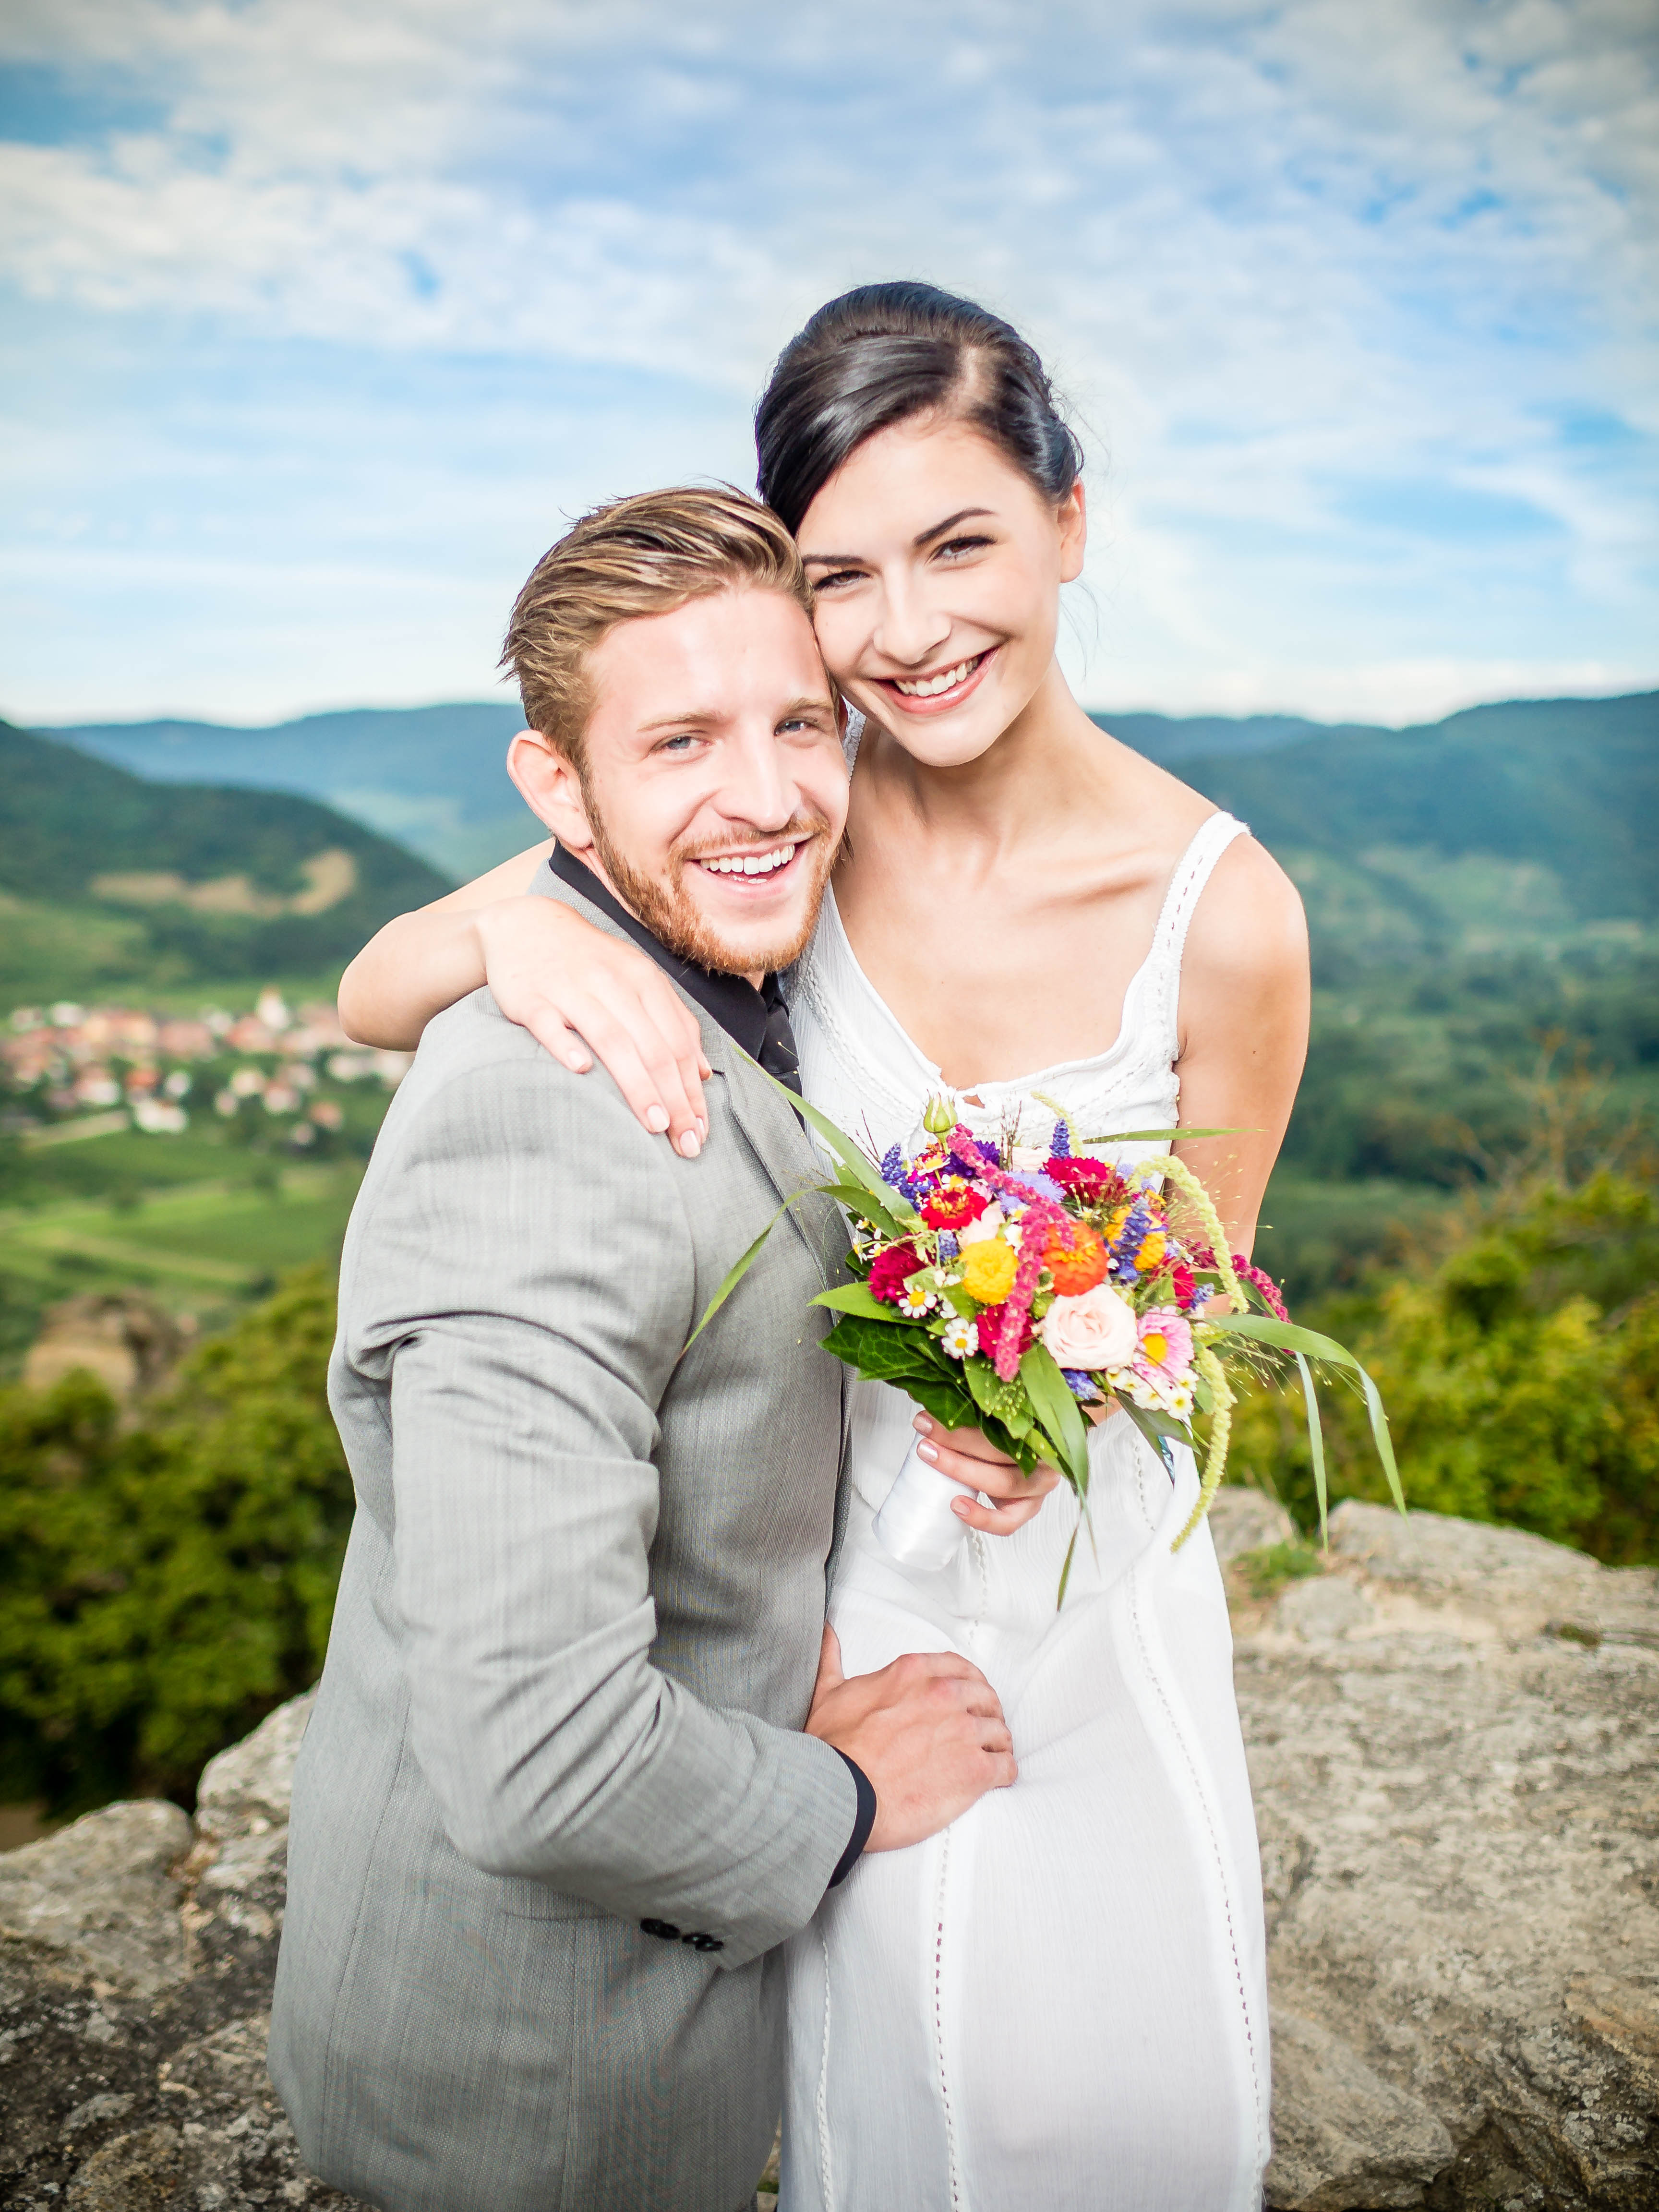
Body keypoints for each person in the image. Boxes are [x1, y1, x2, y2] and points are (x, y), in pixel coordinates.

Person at [341, 285, 1310, 2210]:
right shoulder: (797, 811)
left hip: (1063, 1599)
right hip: (826, 1580)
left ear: (1070, 525)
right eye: (844, 576)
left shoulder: (1222, 917)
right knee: (861, 2094)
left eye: (960, 546)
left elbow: (1207, 1310)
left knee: (1078, 2095)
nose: (908, 630)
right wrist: (508, 931)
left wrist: (1072, 1416)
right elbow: (377, 983)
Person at [268, 484, 1023, 2212]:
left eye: (799, 725)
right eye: (680, 742)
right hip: (536, 2088)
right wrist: (843, 1796)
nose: (766, 795)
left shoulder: (709, 929)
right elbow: (542, 1755)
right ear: (560, 793)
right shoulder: (541, 1127)